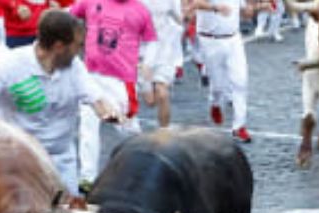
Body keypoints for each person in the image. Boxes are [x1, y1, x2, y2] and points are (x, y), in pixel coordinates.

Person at [0, 9, 117, 190]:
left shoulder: (75, 67)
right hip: (17, 160)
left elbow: (97, 99)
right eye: (78, 45)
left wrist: (108, 112)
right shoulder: (10, 64)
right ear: (59, 47)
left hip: (61, 161)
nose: (81, 50)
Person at [70, 0, 156, 193]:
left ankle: (143, 166)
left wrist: (147, 63)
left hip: (120, 79)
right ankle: (87, 177)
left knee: (128, 128)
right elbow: (68, 16)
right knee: (88, 127)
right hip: (91, 76)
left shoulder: (139, 10)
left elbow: (151, 41)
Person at [191, 0, 252, 143]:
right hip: (210, 40)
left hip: (234, 38)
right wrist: (215, 7)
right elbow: (195, 3)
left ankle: (239, 126)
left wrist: (249, 11)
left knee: (241, 82)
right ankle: (215, 102)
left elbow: (244, 10)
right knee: (218, 85)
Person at [139, 0, 182, 128]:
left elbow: (180, 17)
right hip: (141, 51)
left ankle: (164, 133)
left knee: (162, 94)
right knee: (150, 101)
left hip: (164, 50)